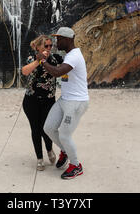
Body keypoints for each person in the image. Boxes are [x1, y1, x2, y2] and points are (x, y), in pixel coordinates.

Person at [41, 27, 89, 180]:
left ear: (67, 40)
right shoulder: (69, 55)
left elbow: (57, 72)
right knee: (48, 128)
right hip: (65, 99)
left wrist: (42, 61)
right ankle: (65, 151)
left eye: (59, 39)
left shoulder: (74, 56)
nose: (56, 42)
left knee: (65, 135)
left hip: (76, 103)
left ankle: (76, 166)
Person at [22, 35, 63, 171]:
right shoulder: (31, 59)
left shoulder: (55, 59)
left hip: (48, 100)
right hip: (31, 100)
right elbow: (24, 71)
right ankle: (39, 158)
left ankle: (49, 149)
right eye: (46, 46)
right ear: (39, 47)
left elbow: (68, 67)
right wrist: (38, 61)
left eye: (51, 46)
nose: (49, 48)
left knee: (46, 128)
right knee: (35, 129)